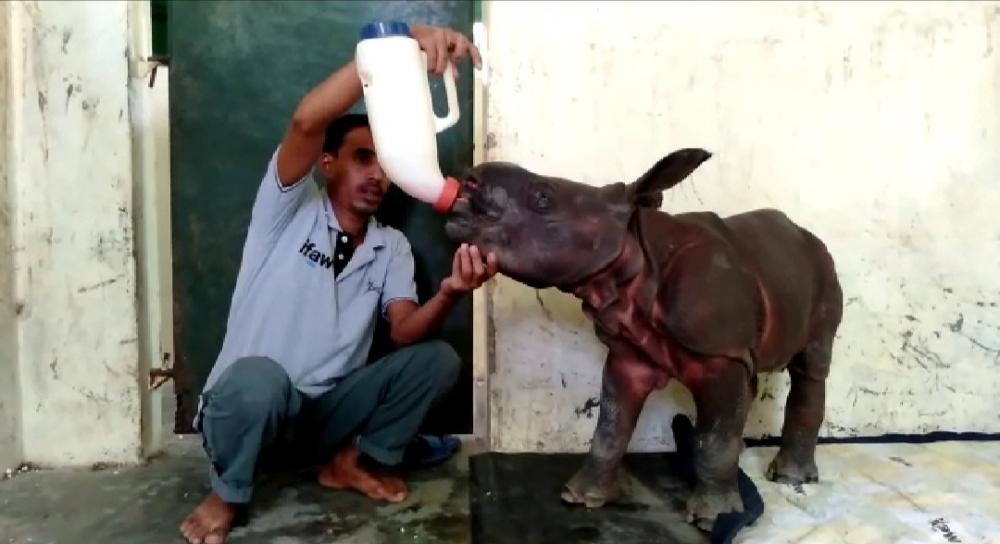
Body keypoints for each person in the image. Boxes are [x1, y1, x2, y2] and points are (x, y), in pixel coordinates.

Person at [179, 23, 495, 544]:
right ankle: (227, 493)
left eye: (385, 163)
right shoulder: (286, 210)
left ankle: (348, 462)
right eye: (361, 158)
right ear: (328, 165)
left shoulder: (389, 246)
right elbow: (307, 120)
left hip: (321, 423)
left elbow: (405, 333)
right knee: (261, 378)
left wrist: (451, 292)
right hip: (246, 413)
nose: (377, 175)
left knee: (437, 360)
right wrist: (399, 47)